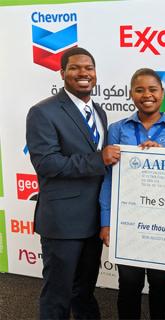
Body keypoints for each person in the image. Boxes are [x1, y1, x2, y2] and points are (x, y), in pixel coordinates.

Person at [26, 47, 120, 319]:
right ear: (62, 72)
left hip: (93, 221)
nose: (83, 73)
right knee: (58, 295)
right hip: (63, 222)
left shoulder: (99, 111)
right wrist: (97, 159)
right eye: (75, 68)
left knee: (84, 292)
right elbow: (46, 163)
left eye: (88, 68)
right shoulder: (43, 112)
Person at [99, 68, 165, 319]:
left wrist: (162, 156)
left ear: (162, 93)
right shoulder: (117, 129)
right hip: (127, 223)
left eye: (153, 89)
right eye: (139, 90)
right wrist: (106, 221)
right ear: (131, 94)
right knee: (129, 284)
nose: (147, 95)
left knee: (160, 285)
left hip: (164, 226)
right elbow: (109, 178)